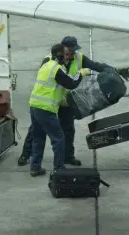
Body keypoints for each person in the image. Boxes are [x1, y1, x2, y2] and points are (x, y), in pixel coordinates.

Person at [18, 36, 129, 167]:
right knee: (36, 130)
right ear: (61, 50)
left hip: (66, 101)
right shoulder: (50, 60)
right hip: (50, 101)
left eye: (73, 51)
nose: (72, 55)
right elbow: (50, 82)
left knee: (68, 129)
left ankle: (68, 157)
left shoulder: (78, 58)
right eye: (69, 52)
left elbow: (97, 66)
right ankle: (26, 154)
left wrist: (115, 70)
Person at [28, 43, 91, 176]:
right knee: (59, 139)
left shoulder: (46, 65)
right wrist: (81, 73)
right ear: (59, 55)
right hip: (46, 109)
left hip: (34, 105)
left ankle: (35, 167)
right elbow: (71, 83)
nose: (67, 57)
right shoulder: (56, 68)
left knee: (38, 138)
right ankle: (59, 169)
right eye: (65, 54)